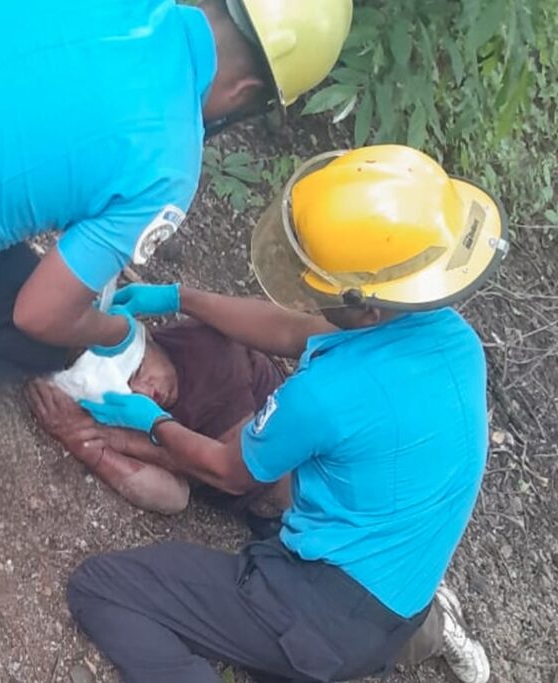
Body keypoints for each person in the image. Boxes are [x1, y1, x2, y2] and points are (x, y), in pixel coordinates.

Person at [0, 0, 353, 423]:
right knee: (54, 339)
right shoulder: (169, 164)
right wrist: (120, 332)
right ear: (246, 91)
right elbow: (40, 315)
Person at [65, 145, 509, 683]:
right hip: (403, 592)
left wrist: (152, 422)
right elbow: (290, 330)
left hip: (321, 612)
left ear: (368, 306)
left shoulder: (325, 394)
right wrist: (180, 296)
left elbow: (226, 469)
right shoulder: (454, 340)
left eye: (320, 286)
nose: (307, 294)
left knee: (103, 588)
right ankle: (429, 630)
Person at [27, 322, 291, 521]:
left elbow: (230, 468)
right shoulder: (121, 409)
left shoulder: (211, 355)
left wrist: (122, 440)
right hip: (263, 514)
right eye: (128, 392)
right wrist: (83, 441)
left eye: (139, 371)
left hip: (293, 477)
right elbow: (174, 496)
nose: (145, 392)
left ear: (149, 339)